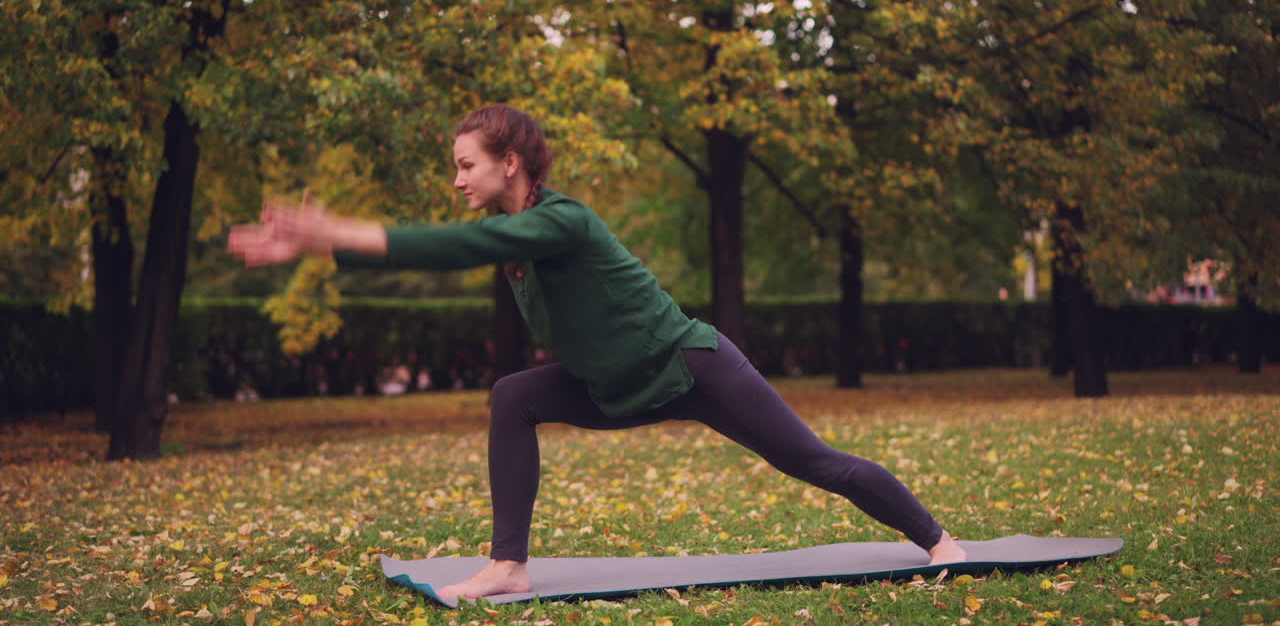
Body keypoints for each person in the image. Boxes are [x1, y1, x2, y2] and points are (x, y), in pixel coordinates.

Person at [228, 104, 967, 600]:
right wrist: (318, 248)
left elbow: (462, 246)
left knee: (814, 463)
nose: (456, 180)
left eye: (465, 165)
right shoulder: (521, 242)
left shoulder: (562, 223)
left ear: (510, 162)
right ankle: (508, 565)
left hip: (692, 368)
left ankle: (938, 541)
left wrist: (337, 235)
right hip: (613, 386)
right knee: (514, 396)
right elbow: (480, 243)